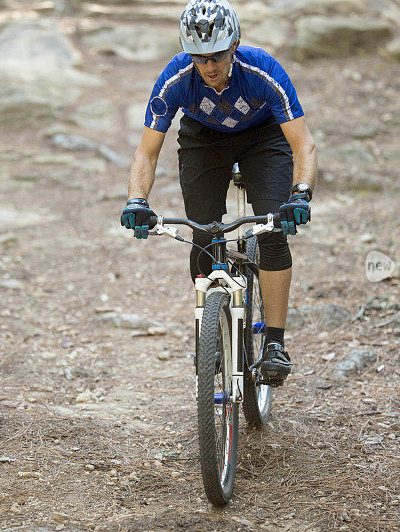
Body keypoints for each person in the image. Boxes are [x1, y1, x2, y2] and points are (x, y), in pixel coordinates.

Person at [121, 0, 317, 387]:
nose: (209, 66)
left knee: (273, 233)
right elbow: (146, 150)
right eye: (198, 57)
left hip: (264, 140)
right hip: (204, 141)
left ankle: (274, 343)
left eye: (217, 55)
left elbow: (304, 145)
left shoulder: (263, 71)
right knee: (205, 233)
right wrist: (136, 200)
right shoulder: (177, 78)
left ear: (235, 44)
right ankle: (209, 332)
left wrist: (301, 193)